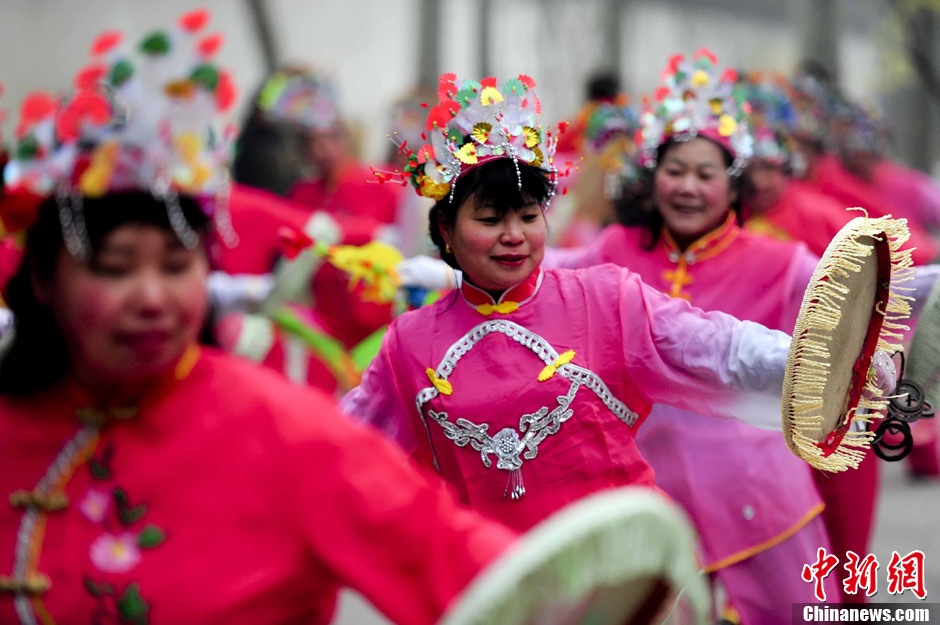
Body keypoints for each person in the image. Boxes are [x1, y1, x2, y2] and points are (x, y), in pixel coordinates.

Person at [0, 14, 517, 624]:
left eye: (176, 266)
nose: (152, 297)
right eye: (114, 268)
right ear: (40, 280)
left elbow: (488, 577)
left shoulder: (291, 435)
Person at [341, 70, 833, 539]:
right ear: (446, 231)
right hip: (495, 575)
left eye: (529, 217)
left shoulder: (604, 299)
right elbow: (343, 445)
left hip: (624, 571)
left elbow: (721, 347)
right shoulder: (409, 343)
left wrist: (829, 363)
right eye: (490, 220)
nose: (514, 236)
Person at [541, 51, 839, 623]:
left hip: (762, 494)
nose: (688, 188)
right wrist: (452, 269)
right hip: (646, 496)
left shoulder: (785, 263)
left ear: (734, 185)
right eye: (675, 172)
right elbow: (545, 274)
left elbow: (859, 310)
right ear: (652, 177)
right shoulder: (615, 250)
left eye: (707, 175)